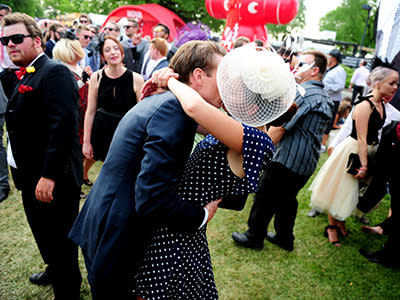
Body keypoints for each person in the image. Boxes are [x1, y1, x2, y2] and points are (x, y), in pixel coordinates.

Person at [134, 43, 296, 299]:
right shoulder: (237, 129)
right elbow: (193, 120)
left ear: (253, 105)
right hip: (176, 217)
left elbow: (195, 108)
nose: (228, 91)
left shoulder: (254, 138)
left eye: (237, 90)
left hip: (177, 229)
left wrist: (171, 80)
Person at [68, 40, 225, 300]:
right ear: (199, 75)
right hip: (117, 236)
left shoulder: (167, 101)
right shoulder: (174, 114)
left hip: (105, 218)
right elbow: (153, 198)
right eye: (223, 77)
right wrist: (201, 215)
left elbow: (214, 126)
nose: (226, 85)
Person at [1, 13, 83, 299]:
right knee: (44, 235)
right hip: (29, 175)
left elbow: (62, 128)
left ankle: (67, 289)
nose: (9, 44)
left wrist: (48, 176)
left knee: (60, 242)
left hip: (51, 179)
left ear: (37, 40)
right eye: (4, 40)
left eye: (16, 38)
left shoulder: (55, 72)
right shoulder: (27, 73)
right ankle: (54, 269)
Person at [232, 50, 333, 252]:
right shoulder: (322, 94)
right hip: (306, 161)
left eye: (302, 64)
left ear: (315, 70)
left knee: (265, 196)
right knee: (287, 199)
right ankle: (285, 238)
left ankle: (254, 237)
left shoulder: (304, 93)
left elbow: (280, 127)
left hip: (288, 159)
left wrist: (257, 152)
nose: (296, 67)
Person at [310, 66, 399, 247]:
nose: (395, 87)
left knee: (350, 191)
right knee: (339, 188)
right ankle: (331, 227)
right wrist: (364, 166)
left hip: (366, 151)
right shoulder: (364, 105)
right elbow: (361, 138)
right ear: (377, 83)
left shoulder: (381, 105)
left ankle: (340, 222)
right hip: (353, 152)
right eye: (392, 83)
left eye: (397, 83)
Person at [82, 35, 143, 163]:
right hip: (102, 132)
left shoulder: (136, 79)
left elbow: (142, 115)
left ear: (121, 53)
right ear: (103, 57)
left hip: (126, 134)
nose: (113, 52)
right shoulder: (96, 77)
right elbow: (90, 111)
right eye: (108, 50)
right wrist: (86, 141)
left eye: (116, 48)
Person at [53, 31, 94, 191]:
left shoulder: (77, 67)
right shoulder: (62, 70)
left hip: (84, 113)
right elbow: (66, 95)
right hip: (75, 116)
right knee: (75, 153)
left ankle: (80, 178)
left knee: (85, 150)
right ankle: (75, 183)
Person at [320, 48, 347, 152]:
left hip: (333, 100)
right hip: (325, 97)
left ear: (334, 58)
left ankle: (322, 144)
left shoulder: (340, 71)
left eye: (329, 56)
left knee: (329, 122)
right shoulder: (329, 68)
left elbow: (340, 86)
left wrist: (325, 86)